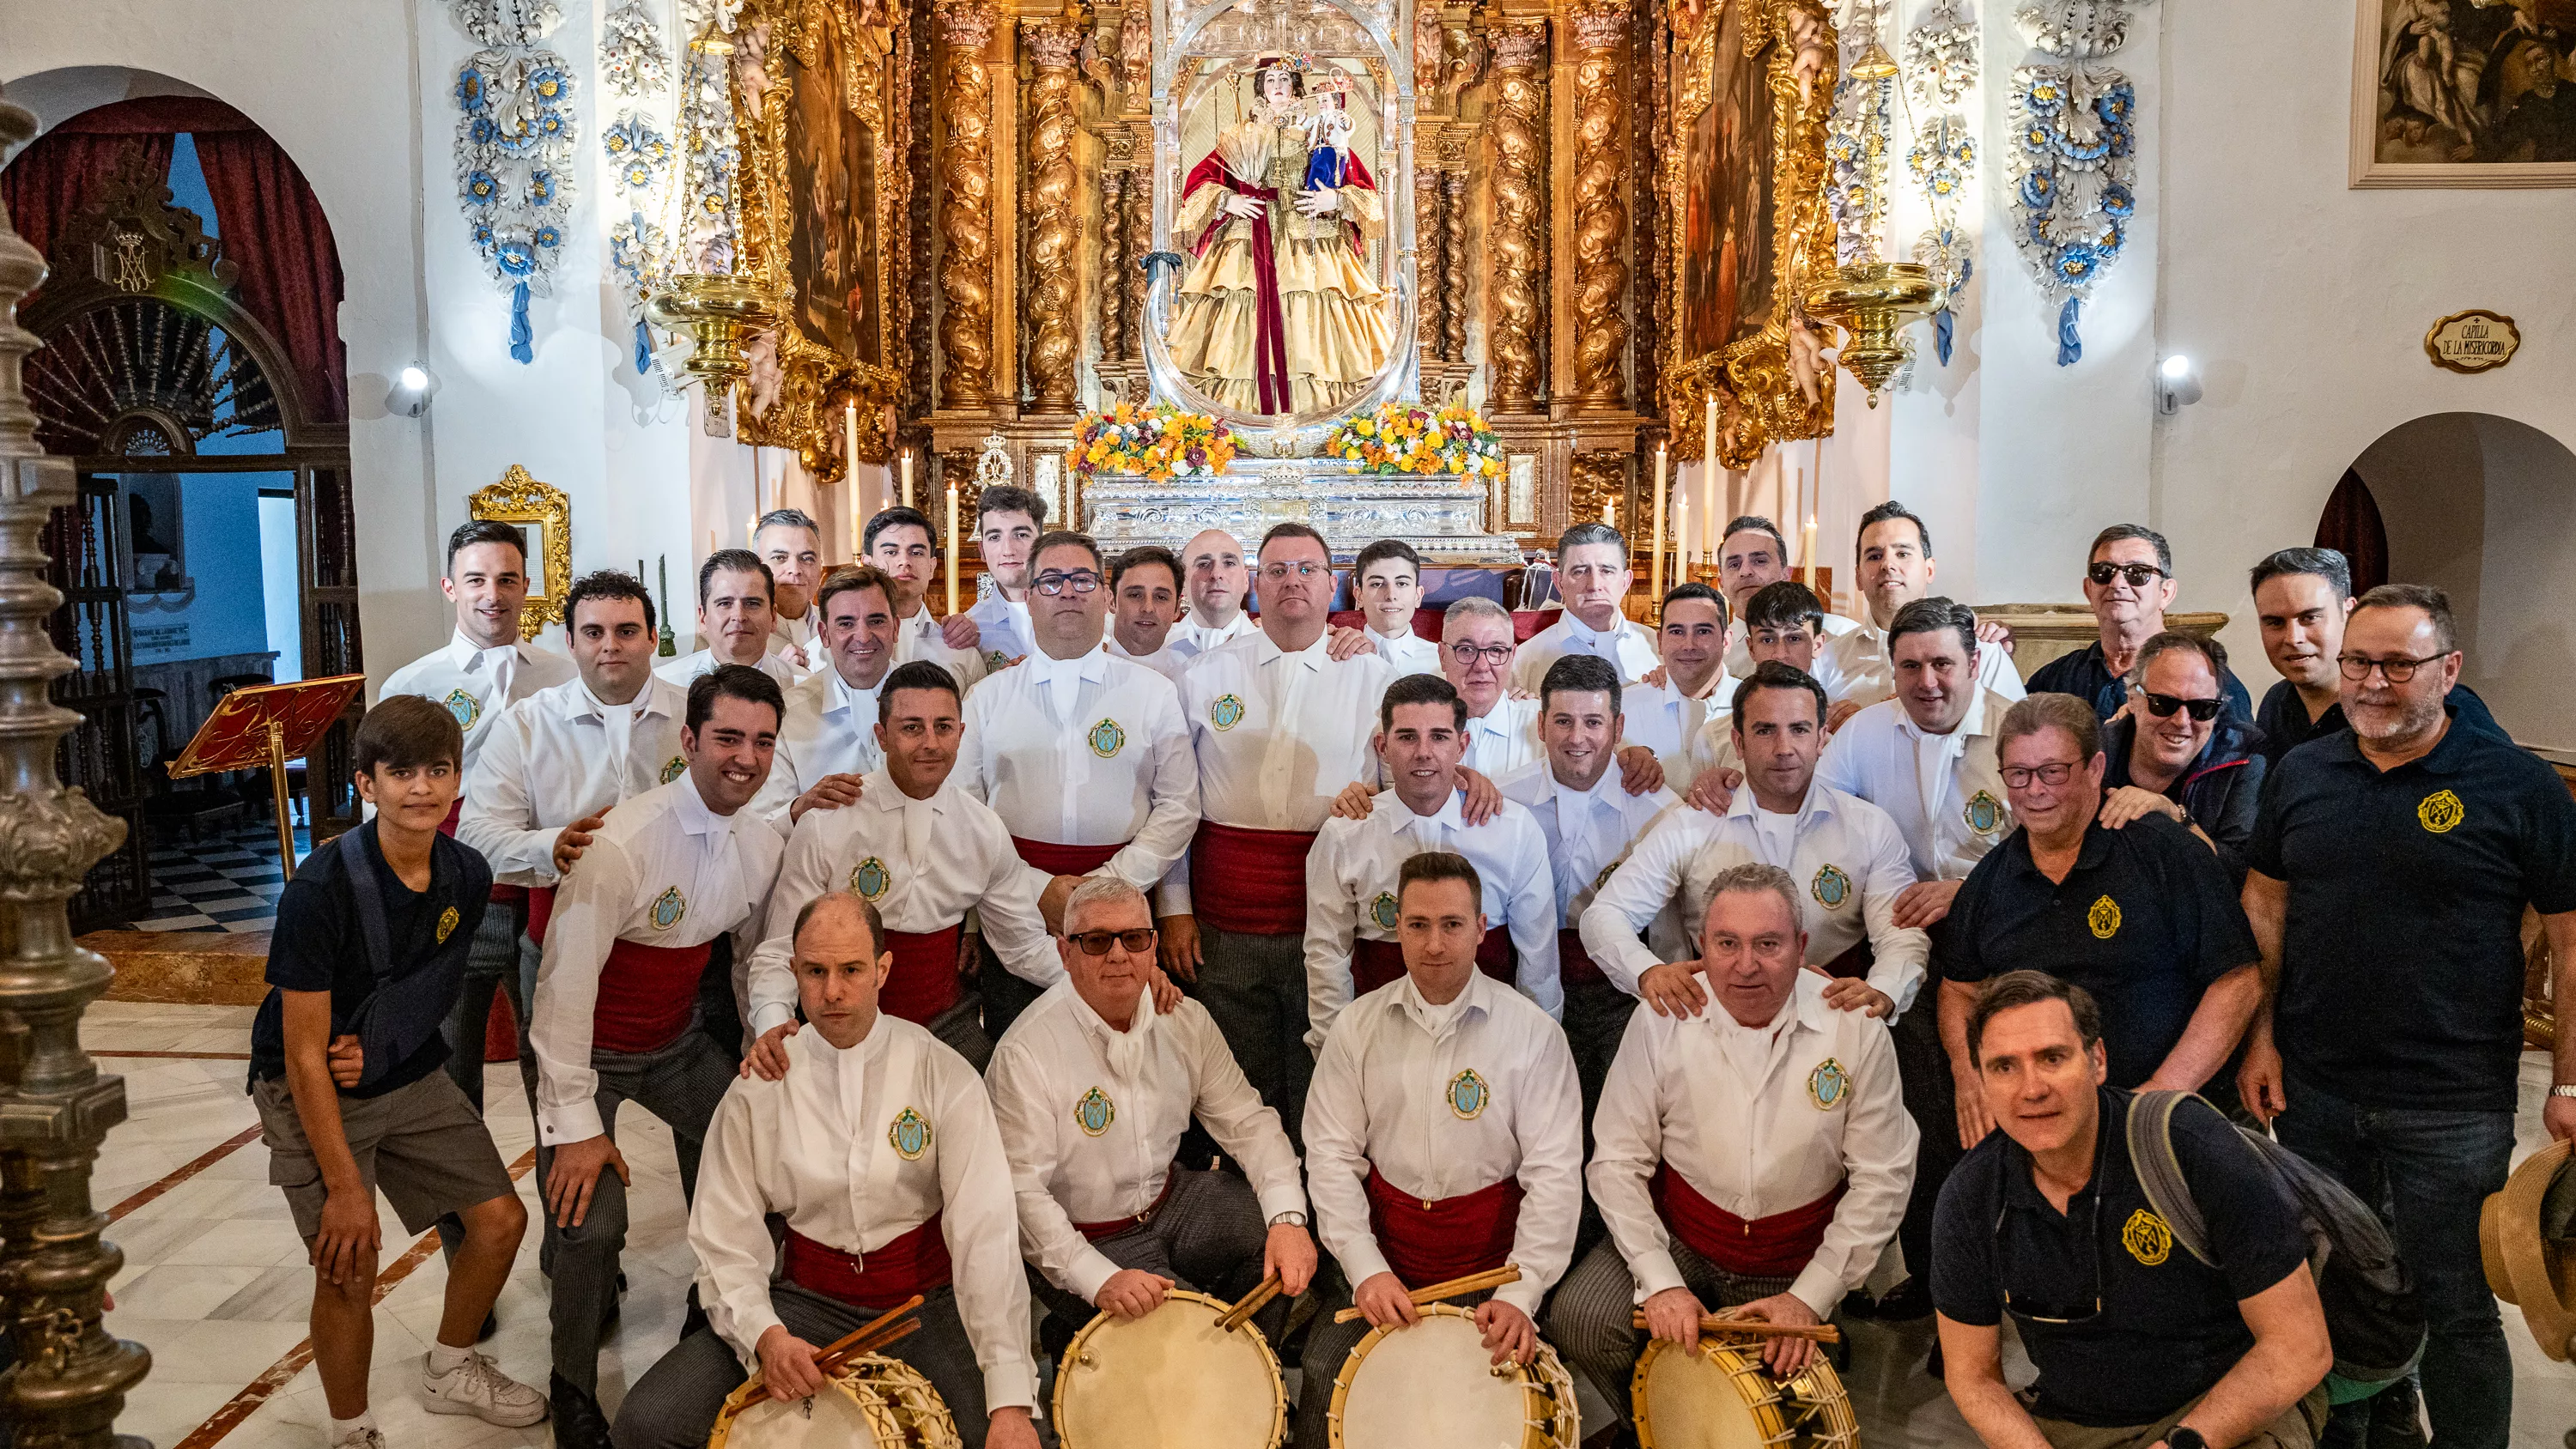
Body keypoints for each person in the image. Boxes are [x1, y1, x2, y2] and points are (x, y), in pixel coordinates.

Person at [2238, 584, 2576, 1449]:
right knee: (2337, 1285)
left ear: (2449, 670)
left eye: (2399, 662)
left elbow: (2574, 943)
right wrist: (2263, 1035)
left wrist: (2572, 1079)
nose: (2374, 681)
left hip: (2453, 1098)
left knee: (2458, 1299)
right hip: (2317, 1087)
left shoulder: (2517, 783)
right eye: (2359, 660)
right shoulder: (2304, 773)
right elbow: (2267, 908)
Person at [609, 894, 1042, 1449]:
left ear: (883, 971)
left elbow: (987, 1238)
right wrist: (766, 1337)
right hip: (803, 1303)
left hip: (926, 1305)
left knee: (1011, 1438)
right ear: (794, 972)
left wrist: (1008, 1399)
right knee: (645, 1426)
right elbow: (725, 1236)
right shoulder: (759, 1086)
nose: (833, 991)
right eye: (815, 971)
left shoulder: (941, 1072)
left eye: (852, 970)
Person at [247, 697, 546, 1449]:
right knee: (349, 1262)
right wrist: (348, 1188)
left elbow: (436, 990)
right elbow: (301, 1053)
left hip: (403, 1074)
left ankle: (450, 1367)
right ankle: (352, 1431)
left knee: (499, 1220)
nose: (421, 788)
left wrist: (380, 1049)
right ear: (366, 785)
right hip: (308, 1084)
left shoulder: (466, 873)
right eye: (401, 772)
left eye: (437, 770)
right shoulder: (321, 890)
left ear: (457, 783)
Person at [525, 666, 789, 1446]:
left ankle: (705, 1323)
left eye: (763, 742)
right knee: (590, 1222)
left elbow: (752, 959)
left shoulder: (765, 840)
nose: (745, 758)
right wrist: (575, 1125)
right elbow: (564, 990)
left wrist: (757, 1048)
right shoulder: (623, 842)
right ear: (688, 741)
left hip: (676, 1046)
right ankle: (571, 1381)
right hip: (591, 1055)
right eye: (727, 739)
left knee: (770, 1165)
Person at [1549, 864, 1916, 1422]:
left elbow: (1883, 1177)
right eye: (1727, 943)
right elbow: (1617, 1163)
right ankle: (1654, 1425)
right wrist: (1662, 1284)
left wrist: (1808, 1299)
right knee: (1581, 1319)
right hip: (1686, 1240)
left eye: (1768, 944)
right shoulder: (1662, 1018)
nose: (1746, 965)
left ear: (1801, 946)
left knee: (1784, 1403)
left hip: (1793, 1261)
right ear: (1703, 945)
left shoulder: (1855, 1026)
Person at [1937, 973, 2331, 1449]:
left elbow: (2300, 1348)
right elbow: (1974, 1378)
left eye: (2052, 1057)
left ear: (2097, 1060)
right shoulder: (1969, 1198)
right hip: (2075, 1428)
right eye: (2004, 1067)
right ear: (1980, 1080)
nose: (2031, 1088)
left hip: (2227, 1412)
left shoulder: (2187, 1145)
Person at [1295, 851, 1583, 1449]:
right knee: (1324, 1373)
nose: (1434, 944)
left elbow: (1554, 1177)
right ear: (1395, 927)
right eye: (1418, 925)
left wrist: (1521, 1295)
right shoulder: (1355, 1027)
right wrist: (1366, 1271)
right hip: (1389, 1268)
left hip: (1494, 1272)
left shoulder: (1534, 1034)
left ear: (1482, 929)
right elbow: (1329, 1160)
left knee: (1484, 1404)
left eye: (1452, 925)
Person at [987, 877, 1317, 1344]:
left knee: (1276, 1245)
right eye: (1097, 941)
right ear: (1065, 953)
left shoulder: (1185, 1021)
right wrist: (1098, 1279)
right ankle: (1093, 1332)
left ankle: (1251, 1383)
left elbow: (1250, 1125)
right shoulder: (1026, 1052)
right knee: (1178, 1343)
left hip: (1171, 1204)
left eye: (1134, 939)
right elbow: (1022, 1196)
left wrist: (1288, 1220)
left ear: (1153, 946)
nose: (1119, 955)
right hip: (1086, 1236)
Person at [1936, 692, 2262, 1141]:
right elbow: (1958, 991)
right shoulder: (1989, 882)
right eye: (2018, 774)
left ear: (2094, 769)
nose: (2034, 790)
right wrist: (1967, 1071)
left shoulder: (2163, 852)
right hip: (2046, 1126)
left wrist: (2160, 1095)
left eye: (2052, 771)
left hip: (2174, 1115)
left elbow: (2237, 982)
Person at [1158, 523, 1395, 1130]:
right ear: (1254, 584)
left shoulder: (1375, 680)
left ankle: (1323, 1201)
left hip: (1330, 917)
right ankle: (1250, 1209)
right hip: (1224, 911)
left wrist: (1372, 796)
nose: (1292, 581)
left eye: (1307, 570)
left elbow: (1403, 792)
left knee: (1330, 1071)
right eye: (1278, 570)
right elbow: (1176, 800)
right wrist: (1175, 908)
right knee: (1240, 1077)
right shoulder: (1206, 675)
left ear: (1334, 586)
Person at [743, 661, 1061, 1069]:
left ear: (961, 735)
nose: (930, 742)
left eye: (943, 727)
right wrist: (774, 1022)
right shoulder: (830, 820)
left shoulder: (984, 830)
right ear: (883, 736)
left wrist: (1111, 973)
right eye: (912, 727)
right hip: (840, 1023)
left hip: (948, 1025)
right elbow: (779, 950)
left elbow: (1023, 947)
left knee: (997, 1108)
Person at [1584, 663, 1929, 1026]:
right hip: (1710, 1018)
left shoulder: (1869, 827)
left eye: (1799, 729)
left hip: (1836, 1020)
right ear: (1738, 742)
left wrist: (1885, 989)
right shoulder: (1694, 824)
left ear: (1822, 738)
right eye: (1765, 731)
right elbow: (1605, 915)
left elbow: (1900, 934)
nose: (1784, 748)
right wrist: (1648, 972)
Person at [956, 530, 1198, 1039]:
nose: (1067, 591)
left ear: (1105, 597)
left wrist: (1107, 885)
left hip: (1125, 909)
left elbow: (1179, 806)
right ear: (1029, 595)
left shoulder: (1153, 694)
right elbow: (964, 815)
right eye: (1051, 580)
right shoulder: (985, 698)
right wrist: (1039, 889)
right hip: (1018, 906)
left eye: (1082, 579)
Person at [380, 521, 574, 1122]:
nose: (493, 593)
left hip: (541, 889)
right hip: (452, 894)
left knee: (551, 1059)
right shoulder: (414, 685)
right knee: (451, 1061)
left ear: (526, 587)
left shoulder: (561, 675)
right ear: (450, 586)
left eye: (507, 579)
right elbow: (385, 807)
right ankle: (466, 1211)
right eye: (477, 579)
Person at [1303, 672, 1560, 1048]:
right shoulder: (1346, 833)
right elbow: (1327, 953)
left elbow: (1538, 956)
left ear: (1462, 746)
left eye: (1439, 737)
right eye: (1407, 737)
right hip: (1380, 1032)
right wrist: (1334, 1049)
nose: (1423, 752)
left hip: (1488, 1032)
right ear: (1382, 747)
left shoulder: (1513, 829)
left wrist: (1539, 1043)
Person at [459, 569, 690, 961]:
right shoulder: (525, 725)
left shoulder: (698, 715)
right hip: (560, 936)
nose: (610, 646)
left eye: (628, 631)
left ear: (653, 638)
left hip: (679, 932)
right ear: (570, 642)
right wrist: (552, 846)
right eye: (593, 632)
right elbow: (476, 839)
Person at [1498, 655, 1681, 1115]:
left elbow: (1674, 931)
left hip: (1619, 991)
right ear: (1540, 726)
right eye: (1563, 721)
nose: (1577, 739)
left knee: (1619, 1121)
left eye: (1593, 722)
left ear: (1619, 728)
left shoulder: (1660, 809)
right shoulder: (1502, 800)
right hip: (1517, 978)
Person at [1166, 53, 1392, 415]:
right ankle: (1240, 420)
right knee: (1240, 321)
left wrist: (1334, 199)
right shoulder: (1239, 133)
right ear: (1260, 88)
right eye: (1270, 81)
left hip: (1310, 239)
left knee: (1311, 315)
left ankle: (1317, 415)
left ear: (1296, 87)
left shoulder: (1319, 131)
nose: (1277, 87)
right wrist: (1228, 200)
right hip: (1248, 238)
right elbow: (1199, 183)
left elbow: (1362, 187)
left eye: (1285, 80)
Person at [1819, 501, 2022, 724]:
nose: (1888, 564)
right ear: (1858, 576)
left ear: (1929, 570)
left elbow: (2019, 737)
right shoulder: (1827, 662)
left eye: (1903, 553)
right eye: (1874, 556)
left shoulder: (1983, 651)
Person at [2026, 524, 2251, 720]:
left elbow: (2236, 764)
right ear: (2088, 589)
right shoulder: (2056, 679)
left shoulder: (2206, 681)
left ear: (2166, 592)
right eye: (2104, 571)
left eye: (2137, 572)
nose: (2117, 583)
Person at [2099, 632, 2266, 882]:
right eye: (2163, 703)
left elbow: (2242, 878)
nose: (2181, 721)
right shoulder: (2094, 754)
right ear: (2132, 699)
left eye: (2202, 708)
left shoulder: (2246, 757)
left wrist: (2175, 817)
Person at [746, 564, 897, 828]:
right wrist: (800, 807)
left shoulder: (929, 701)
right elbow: (761, 826)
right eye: (846, 623)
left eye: (876, 621)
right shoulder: (789, 715)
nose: (862, 636)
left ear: (895, 627)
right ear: (825, 635)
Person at [1702, 579, 1829, 773]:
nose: (1779, 654)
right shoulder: (1714, 737)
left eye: (1794, 638)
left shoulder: (1845, 736)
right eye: (1767, 639)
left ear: (1817, 645)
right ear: (1751, 647)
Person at [1514, 523, 1662, 688]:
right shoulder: (1524, 662)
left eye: (1607, 571)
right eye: (1580, 571)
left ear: (1626, 582)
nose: (1594, 585)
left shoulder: (1658, 650)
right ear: (1559, 583)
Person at [1712, 515, 1859, 676]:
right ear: (1722, 583)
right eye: (1734, 564)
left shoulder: (1844, 637)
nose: (1745, 571)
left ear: (1786, 574)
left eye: (1759, 561)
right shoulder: (1713, 654)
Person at [1619, 582, 1730, 792]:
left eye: (1703, 631)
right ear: (1660, 641)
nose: (1689, 645)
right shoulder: (1624, 707)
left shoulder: (1755, 708)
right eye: (1677, 631)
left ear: (1726, 641)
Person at [863, 505, 987, 687]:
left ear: (931, 567)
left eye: (916, 553)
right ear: (868, 564)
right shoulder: (836, 649)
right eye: (891, 552)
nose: (904, 561)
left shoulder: (961, 653)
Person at [655, 549, 797, 691]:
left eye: (752, 603)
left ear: (773, 617)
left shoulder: (804, 688)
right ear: (703, 618)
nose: (739, 616)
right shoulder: (664, 687)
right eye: (724, 603)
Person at [966, 483, 1047, 673]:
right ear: (982, 551)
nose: (1008, 550)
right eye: (995, 537)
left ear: (1042, 544)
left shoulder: (1074, 613)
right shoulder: (972, 628)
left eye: (1020, 535)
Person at [754, 507, 827, 676]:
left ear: (821, 568)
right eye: (780, 558)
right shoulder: (741, 633)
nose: (795, 569)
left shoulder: (838, 626)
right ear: (756, 567)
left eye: (807, 559)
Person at [1170, 528, 1260, 661]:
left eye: (1229, 563)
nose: (1217, 574)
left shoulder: (1275, 649)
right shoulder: (1155, 649)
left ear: (1246, 579)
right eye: (1203, 564)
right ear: (1182, 581)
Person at [1105, 543, 1192, 682]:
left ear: (1177, 609)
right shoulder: (1083, 668)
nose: (1148, 608)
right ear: (1111, 601)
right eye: (1135, 595)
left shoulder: (1190, 676)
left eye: (1161, 597)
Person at [1352, 537, 1442, 671]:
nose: (1391, 595)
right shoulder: (1339, 657)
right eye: (1377, 584)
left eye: (1402, 584)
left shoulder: (1441, 662)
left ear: (1418, 596)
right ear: (1359, 596)